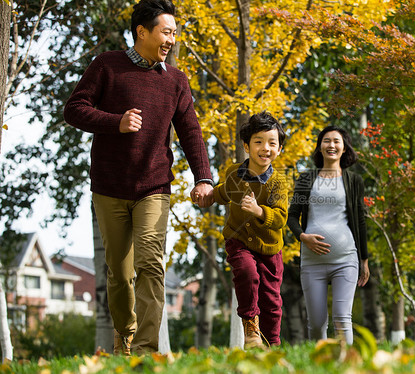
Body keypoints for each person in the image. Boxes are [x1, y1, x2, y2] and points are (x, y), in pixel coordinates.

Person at [63, 0, 213, 355]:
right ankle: (124, 334)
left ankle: (146, 350)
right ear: (142, 32)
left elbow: (191, 132)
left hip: (154, 186)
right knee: (118, 272)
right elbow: (74, 109)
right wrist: (115, 121)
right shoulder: (106, 66)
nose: (171, 40)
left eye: (175, 33)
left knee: (150, 264)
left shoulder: (176, 80)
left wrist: (203, 177)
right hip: (109, 186)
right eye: (166, 31)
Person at [209, 111, 288, 349]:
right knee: (246, 273)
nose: (266, 148)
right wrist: (208, 195)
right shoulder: (234, 173)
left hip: (270, 247)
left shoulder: (279, 182)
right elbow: (224, 192)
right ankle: (251, 329)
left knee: (272, 302)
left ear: (279, 149)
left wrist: (259, 211)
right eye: (259, 142)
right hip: (239, 239)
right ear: (246, 145)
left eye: (272, 143)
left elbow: (281, 217)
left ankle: (272, 345)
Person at [287, 126, 370, 345]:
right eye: (326, 140)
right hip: (312, 262)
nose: (331, 145)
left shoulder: (354, 181)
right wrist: (303, 237)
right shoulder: (307, 179)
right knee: (316, 323)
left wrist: (364, 259)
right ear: (320, 146)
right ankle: (320, 365)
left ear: (344, 148)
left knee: (343, 318)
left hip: (346, 260)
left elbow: (360, 221)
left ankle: (348, 366)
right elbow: (292, 217)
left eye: (336, 141)